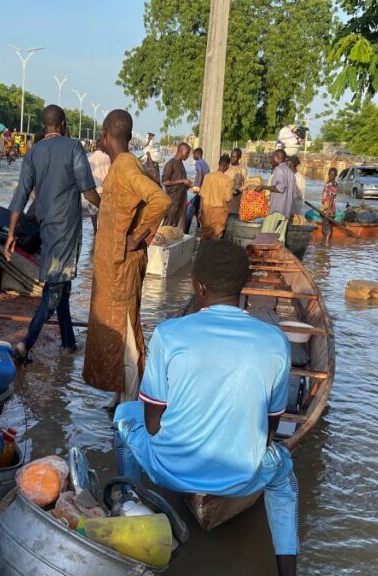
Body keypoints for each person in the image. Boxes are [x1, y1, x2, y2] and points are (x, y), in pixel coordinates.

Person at [113, 239, 299, 576]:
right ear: (242, 286)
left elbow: (152, 424)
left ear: (198, 287)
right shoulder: (275, 341)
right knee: (283, 478)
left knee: (123, 416)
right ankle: (287, 570)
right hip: (242, 477)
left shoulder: (169, 334)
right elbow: (269, 431)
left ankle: (128, 502)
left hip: (168, 469)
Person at [84, 110, 171, 406]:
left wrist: (137, 237)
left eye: (101, 134)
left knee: (126, 330)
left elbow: (161, 199)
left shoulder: (125, 166)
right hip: (113, 264)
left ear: (108, 134)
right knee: (114, 329)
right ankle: (120, 393)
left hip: (122, 265)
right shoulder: (121, 165)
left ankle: (131, 400)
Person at [5, 105, 99, 360]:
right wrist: (107, 207)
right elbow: (88, 189)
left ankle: (68, 342)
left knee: (60, 283)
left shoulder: (33, 153)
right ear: (64, 124)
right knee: (55, 289)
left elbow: (19, 197)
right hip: (67, 229)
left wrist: (11, 233)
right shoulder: (73, 147)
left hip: (46, 227)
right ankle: (26, 343)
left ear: (45, 125)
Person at [198, 154, 233, 240]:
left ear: (218, 163)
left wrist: (200, 210)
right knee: (217, 237)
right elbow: (228, 199)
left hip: (206, 212)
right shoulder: (227, 180)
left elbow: (202, 196)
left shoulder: (207, 177)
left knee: (205, 236)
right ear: (228, 166)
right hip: (219, 213)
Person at [257, 150, 300, 218]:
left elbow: (280, 189)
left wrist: (263, 187)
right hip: (286, 213)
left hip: (276, 211)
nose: (271, 161)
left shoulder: (279, 169)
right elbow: (295, 195)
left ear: (277, 158)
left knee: (267, 229)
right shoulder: (290, 172)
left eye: (272, 158)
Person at [161, 143, 192, 229]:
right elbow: (165, 182)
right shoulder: (170, 164)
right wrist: (182, 181)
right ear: (182, 151)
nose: (188, 155)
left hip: (181, 199)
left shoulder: (181, 164)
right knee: (169, 221)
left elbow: (180, 180)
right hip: (173, 199)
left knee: (179, 223)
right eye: (187, 153)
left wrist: (187, 184)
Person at [87, 139, 111, 232]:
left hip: (93, 190)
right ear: (103, 146)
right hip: (105, 190)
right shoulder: (108, 158)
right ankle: (102, 232)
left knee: (93, 214)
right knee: (103, 213)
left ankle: (95, 231)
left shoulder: (89, 158)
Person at [185, 147, 210, 234]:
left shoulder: (198, 163)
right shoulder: (205, 164)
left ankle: (186, 231)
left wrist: (197, 187)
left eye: (193, 154)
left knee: (188, 210)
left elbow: (200, 173)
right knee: (197, 210)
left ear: (197, 154)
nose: (192, 156)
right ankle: (199, 226)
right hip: (203, 190)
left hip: (198, 190)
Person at [320, 167, 339, 239]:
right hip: (325, 207)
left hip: (329, 209)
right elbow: (325, 195)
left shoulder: (333, 185)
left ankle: (326, 244)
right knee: (326, 227)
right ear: (328, 174)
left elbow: (332, 198)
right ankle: (327, 245)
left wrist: (328, 211)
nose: (331, 176)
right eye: (330, 174)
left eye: (333, 175)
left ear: (335, 175)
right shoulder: (328, 183)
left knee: (326, 228)